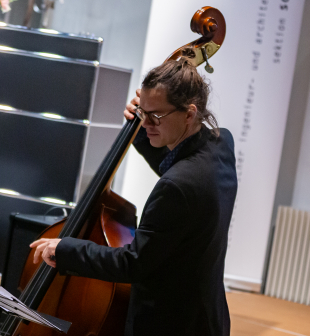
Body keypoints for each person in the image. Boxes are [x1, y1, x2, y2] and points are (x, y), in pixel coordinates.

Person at [30, 58, 238, 336]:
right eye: (143, 112)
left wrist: (66, 250)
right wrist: (140, 133)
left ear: (189, 114)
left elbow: (133, 263)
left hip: (170, 325)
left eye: (156, 116)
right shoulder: (221, 143)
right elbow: (178, 166)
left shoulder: (176, 187)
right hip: (207, 319)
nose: (146, 122)